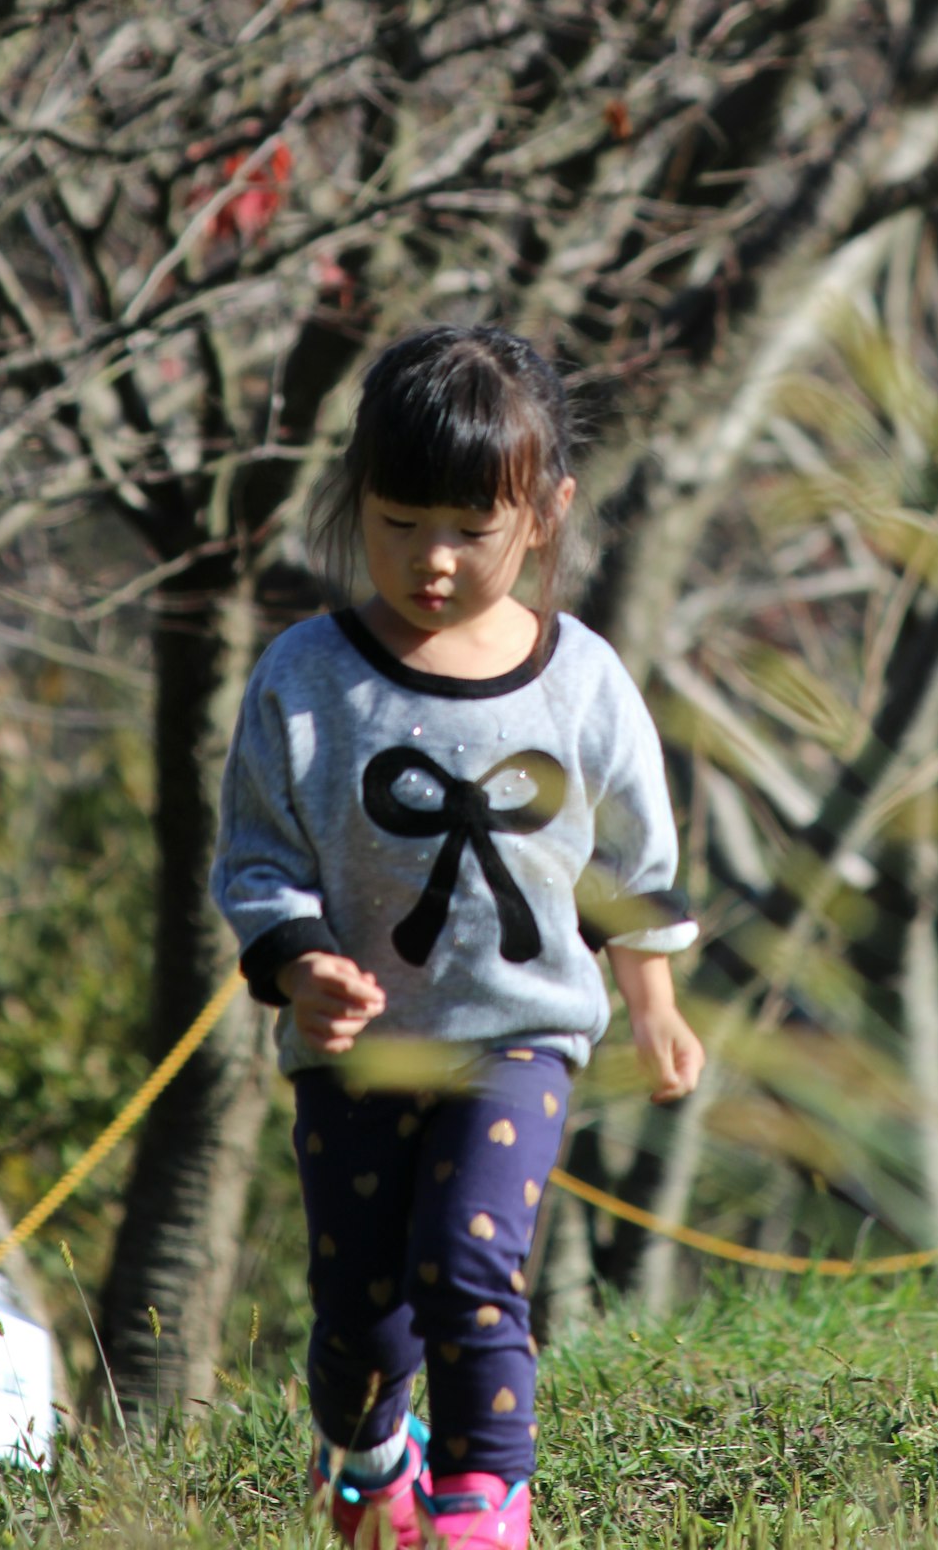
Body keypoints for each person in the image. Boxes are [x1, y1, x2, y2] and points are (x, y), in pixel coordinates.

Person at [211, 325, 704, 1549]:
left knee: (472, 1270)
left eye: (469, 530)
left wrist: (651, 1001)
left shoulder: (582, 683)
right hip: (361, 1059)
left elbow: (631, 868)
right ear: (353, 504)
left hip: (520, 1038)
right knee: (359, 1316)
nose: (431, 560)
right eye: (397, 522)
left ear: (543, 513)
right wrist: (300, 961)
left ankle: (487, 1504)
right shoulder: (305, 677)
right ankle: (373, 1455)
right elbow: (259, 859)